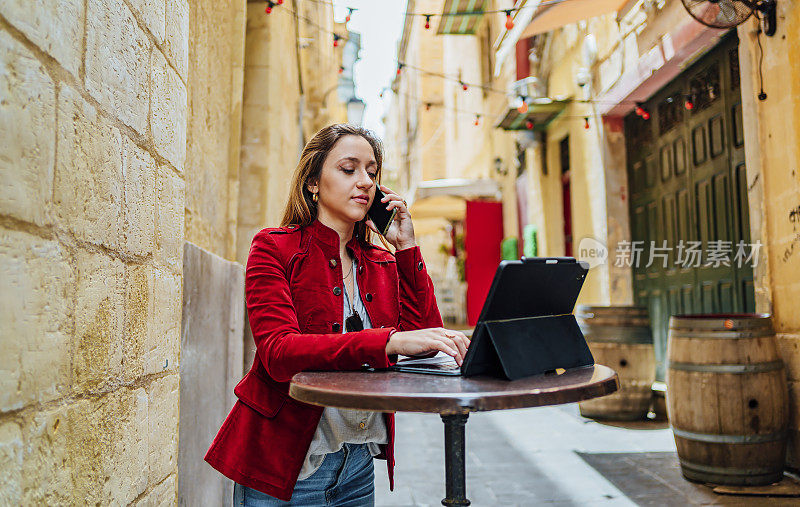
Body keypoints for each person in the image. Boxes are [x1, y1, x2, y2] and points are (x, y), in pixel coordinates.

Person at [204, 124, 470, 506]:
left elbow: (424, 338)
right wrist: (386, 341)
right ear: (313, 182)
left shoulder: (381, 261)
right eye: (349, 169)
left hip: (357, 468)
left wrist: (406, 247)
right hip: (285, 468)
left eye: (373, 173)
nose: (365, 182)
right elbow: (279, 352)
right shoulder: (274, 248)